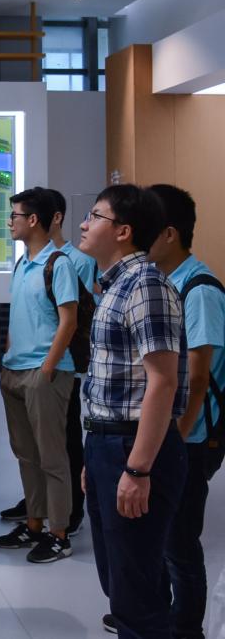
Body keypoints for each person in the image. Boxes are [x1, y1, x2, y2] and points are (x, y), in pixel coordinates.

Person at [78, 184, 188, 639]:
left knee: (136, 595)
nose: (84, 224)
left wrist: (138, 469)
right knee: (124, 582)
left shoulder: (145, 285)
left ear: (123, 231)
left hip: (133, 446)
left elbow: (163, 381)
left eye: (94, 216)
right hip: (109, 442)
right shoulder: (117, 285)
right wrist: (95, 455)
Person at [148, 183, 224, 639]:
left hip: (189, 439)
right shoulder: (166, 283)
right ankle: (159, 618)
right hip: (168, 433)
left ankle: (185, 629)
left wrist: (174, 436)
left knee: (179, 543)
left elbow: (197, 378)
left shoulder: (199, 290)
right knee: (160, 537)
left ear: (170, 233)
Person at [1, 187, 97, 534]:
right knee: (26, 456)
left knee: (53, 457)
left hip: (45, 372)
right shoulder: (22, 264)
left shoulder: (60, 264)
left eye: (14, 215)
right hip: (15, 370)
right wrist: (8, 360)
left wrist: (47, 368)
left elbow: (69, 321)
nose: (9, 222)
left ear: (33, 220)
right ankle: (34, 524)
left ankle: (59, 531)